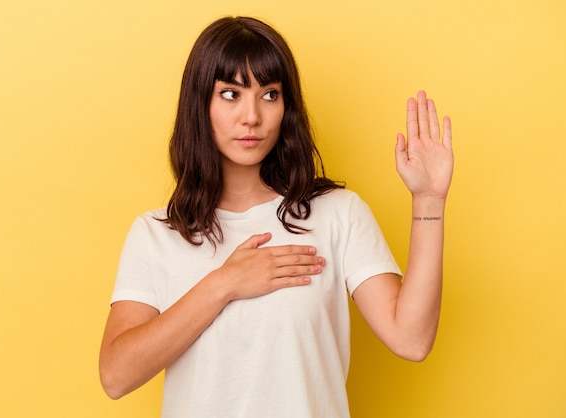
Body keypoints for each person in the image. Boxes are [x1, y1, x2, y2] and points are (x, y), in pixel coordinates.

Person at [99, 15, 453, 418]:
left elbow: (412, 339)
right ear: (201, 104)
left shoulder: (337, 213)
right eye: (231, 94)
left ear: (287, 107)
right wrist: (225, 284)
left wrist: (428, 201)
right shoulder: (157, 234)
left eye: (269, 94)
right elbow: (115, 375)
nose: (252, 116)